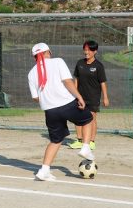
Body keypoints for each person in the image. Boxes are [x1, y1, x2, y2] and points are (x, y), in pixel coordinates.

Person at [28, 43, 95, 181]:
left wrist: (48, 97)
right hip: (67, 104)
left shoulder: (31, 73)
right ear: (48, 52)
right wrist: (79, 97)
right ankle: (86, 147)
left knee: (55, 140)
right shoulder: (58, 61)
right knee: (88, 118)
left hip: (50, 111)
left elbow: (35, 97)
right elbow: (68, 82)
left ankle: (44, 170)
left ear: (35, 57)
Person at [69, 40, 109, 150]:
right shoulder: (80, 63)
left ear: (95, 51)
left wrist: (105, 97)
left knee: (91, 119)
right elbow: (76, 79)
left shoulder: (99, 66)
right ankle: (79, 140)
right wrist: (75, 93)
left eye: (89, 50)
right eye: (85, 50)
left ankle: (91, 141)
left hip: (93, 97)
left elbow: (103, 82)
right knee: (78, 118)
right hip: (80, 96)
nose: (86, 52)